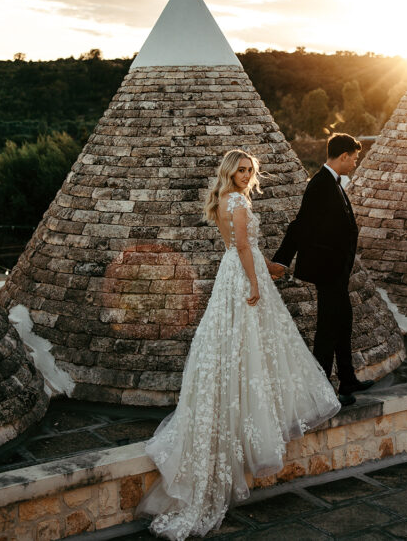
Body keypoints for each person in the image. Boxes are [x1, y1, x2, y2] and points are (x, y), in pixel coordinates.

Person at [137, 150, 341, 541]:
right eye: (241, 169)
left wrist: (266, 269)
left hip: (229, 274)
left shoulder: (222, 201)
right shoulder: (239, 202)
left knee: (232, 345)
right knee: (252, 344)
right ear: (230, 172)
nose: (247, 175)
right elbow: (245, 247)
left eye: (251, 170)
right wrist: (255, 282)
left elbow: (238, 247)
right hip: (241, 276)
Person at [271, 133, 375, 406]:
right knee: (328, 329)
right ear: (343, 156)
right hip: (328, 270)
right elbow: (301, 225)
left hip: (337, 271)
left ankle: (348, 379)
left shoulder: (333, 183)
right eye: (354, 158)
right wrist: (282, 260)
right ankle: (321, 389)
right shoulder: (319, 185)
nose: (354, 162)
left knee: (343, 322)